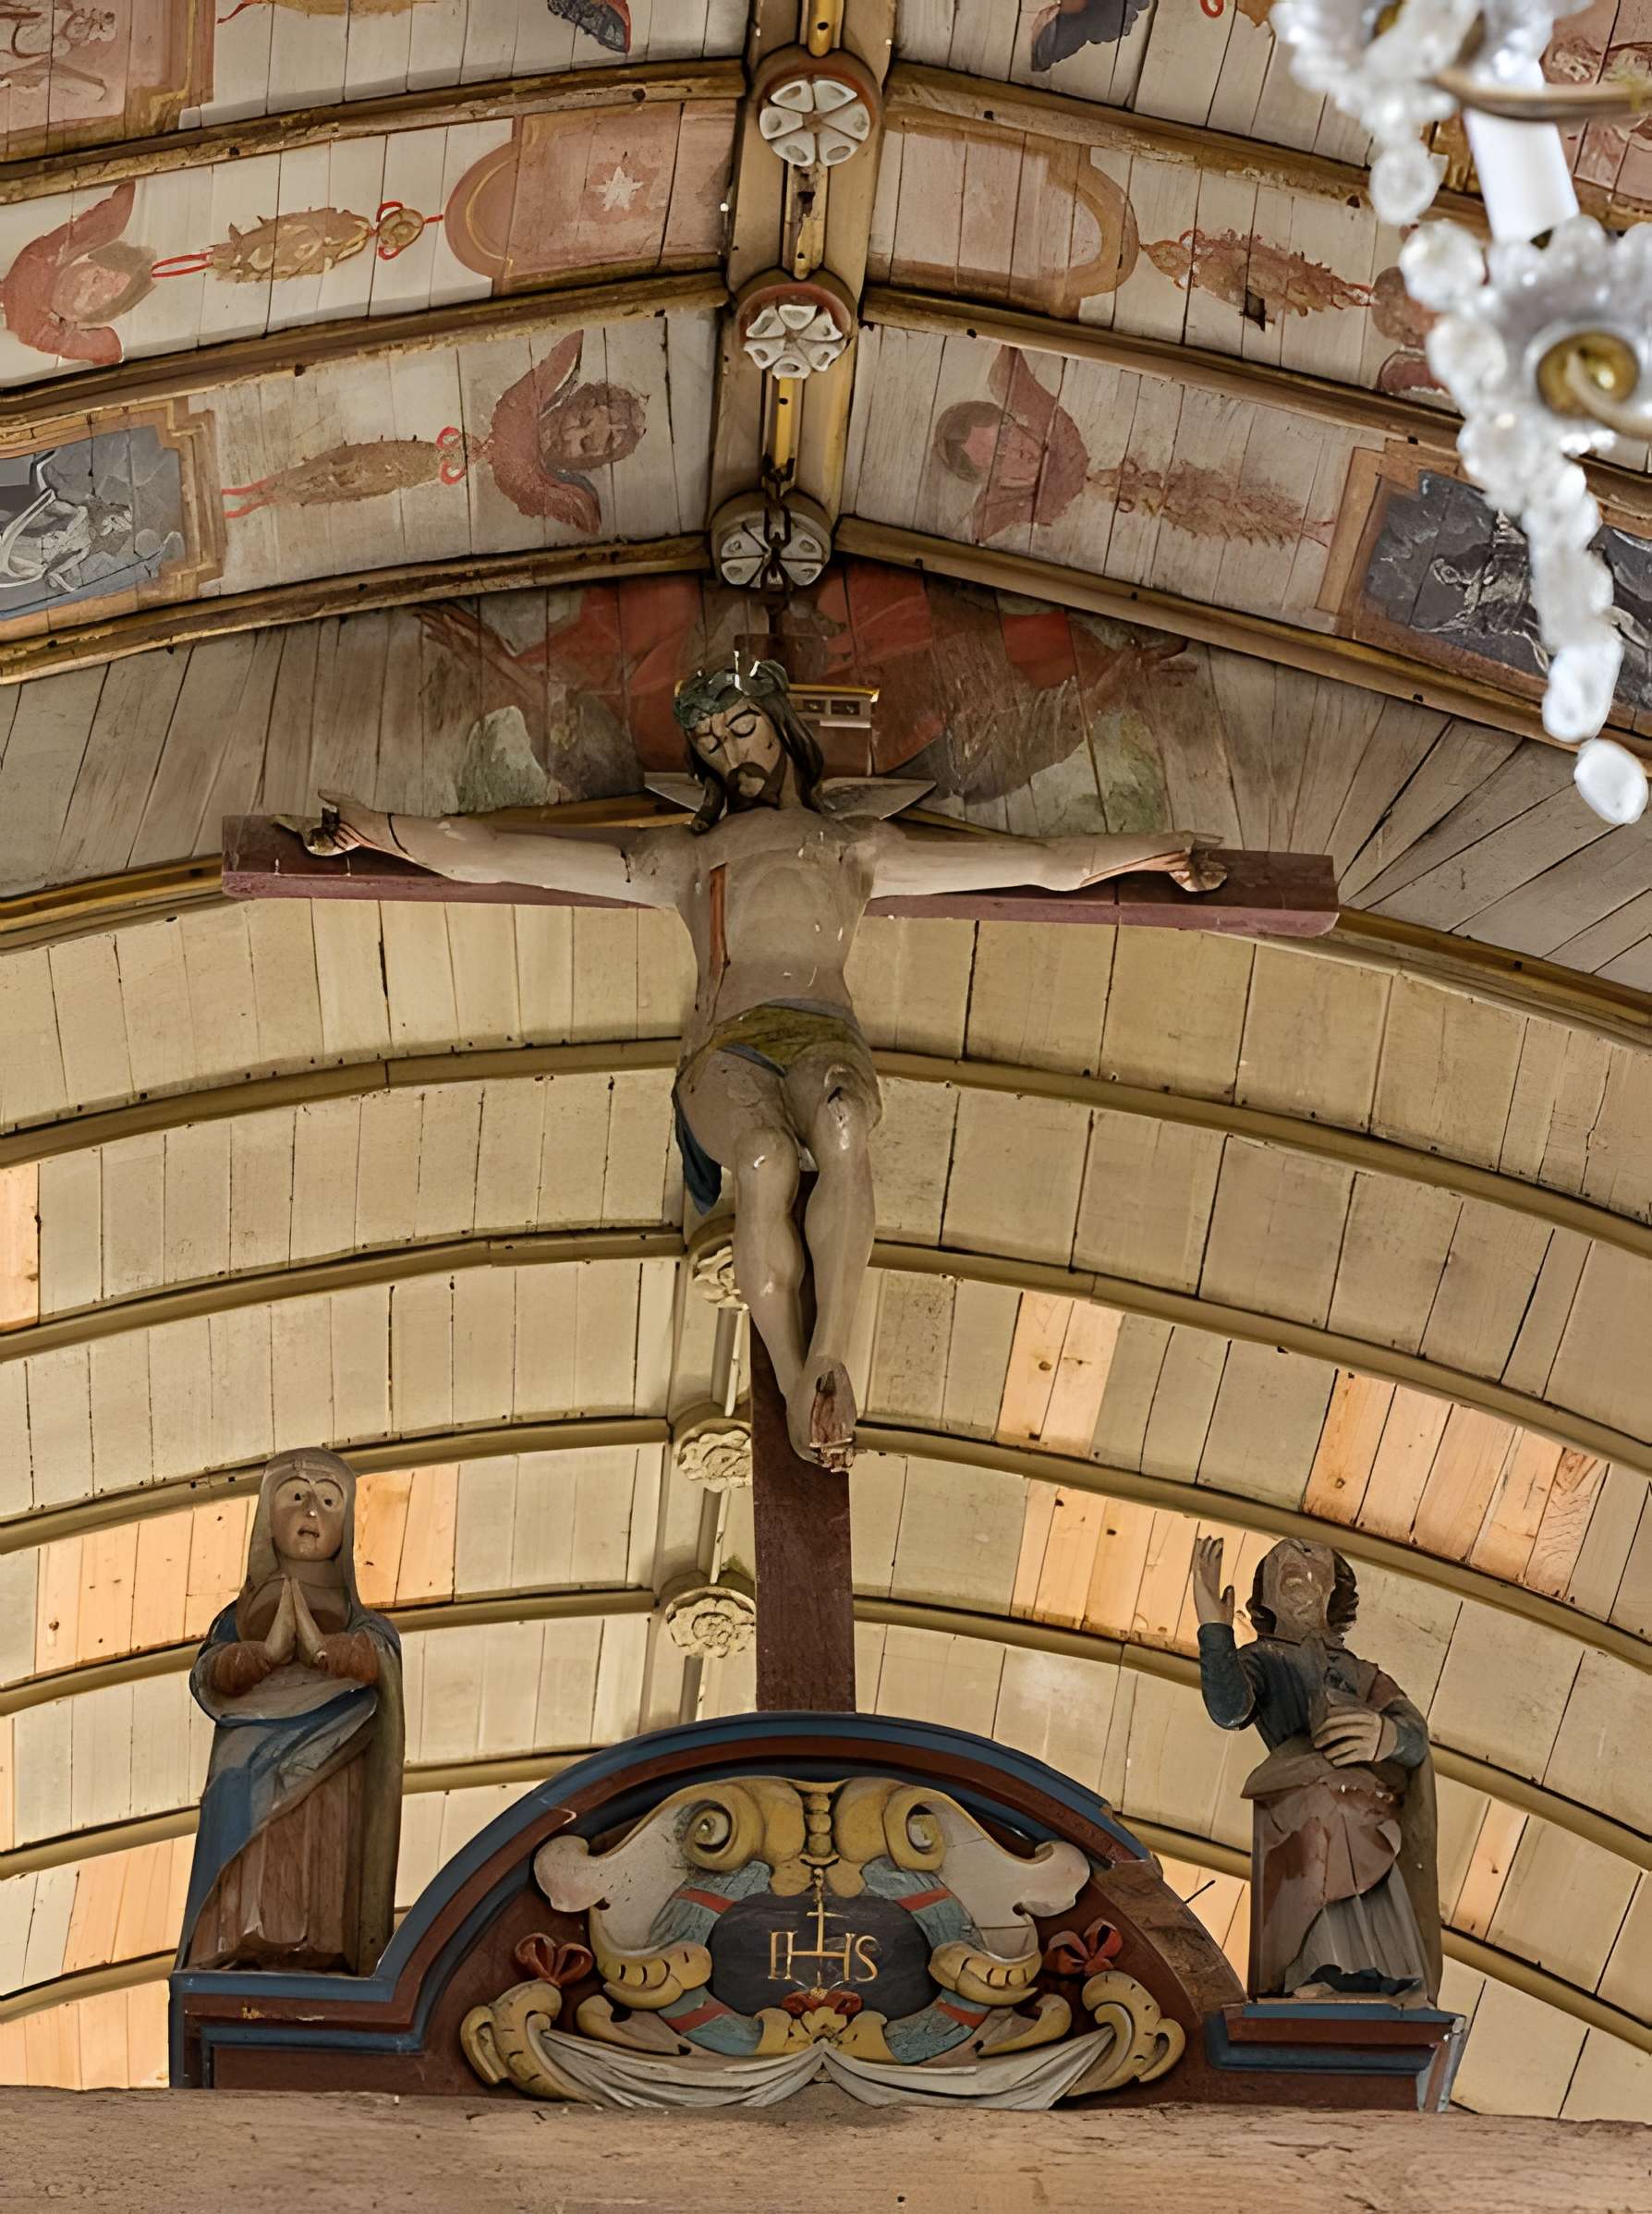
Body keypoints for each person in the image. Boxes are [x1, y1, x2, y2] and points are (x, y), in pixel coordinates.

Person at [319, 660, 1225, 1469]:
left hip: (824, 1036)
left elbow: (1039, 864)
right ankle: (802, 1379)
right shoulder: (686, 857)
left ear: (783, 726)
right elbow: (494, 853)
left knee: (839, 1121)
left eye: (738, 726)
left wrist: (1162, 851)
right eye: (708, 742)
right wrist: (374, 827)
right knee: (758, 1158)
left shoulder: (859, 848)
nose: (725, 750)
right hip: (728, 1047)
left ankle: (833, 1346)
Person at [177, 1448, 403, 1975]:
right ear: (267, 1518)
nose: (311, 1515)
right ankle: (235, 1939)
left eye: (328, 1502)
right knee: (244, 1836)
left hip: (333, 1745)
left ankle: (322, 1944)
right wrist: (264, 1655)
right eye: (296, 1498)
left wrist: (327, 1648)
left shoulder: (357, 1618)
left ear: (346, 1526)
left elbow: (379, 1656)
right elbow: (209, 1672)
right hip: (248, 1752)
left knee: (322, 1842)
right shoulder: (237, 1619)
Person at [1192, 1534, 1440, 2002]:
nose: (1295, 1561)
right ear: (1264, 1596)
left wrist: (1383, 1735)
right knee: (1322, 1824)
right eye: (1281, 1565)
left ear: (1333, 1594)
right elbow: (1229, 1708)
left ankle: (1385, 1971)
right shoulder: (1263, 1659)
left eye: (1310, 1560)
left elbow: (1412, 1733)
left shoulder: (1362, 1672)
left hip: (1363, 1797)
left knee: (1365, 1839)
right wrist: (1214, 1631)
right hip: (1300, 1794)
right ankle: (1317, 1968)